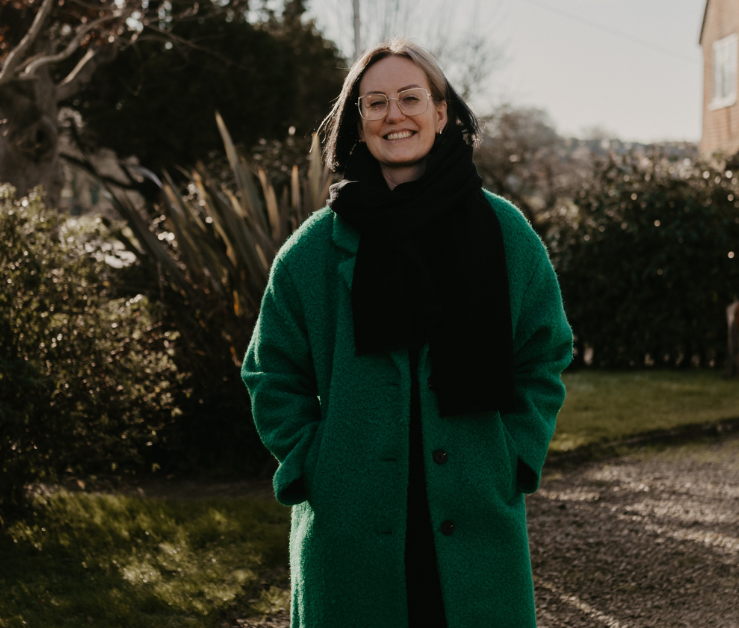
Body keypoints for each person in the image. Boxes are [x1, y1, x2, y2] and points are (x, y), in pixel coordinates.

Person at [241, 38, 572, 628]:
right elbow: (271, 372)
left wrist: (514, 455)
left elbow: (543, 352)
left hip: (475, 513)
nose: (395, 115)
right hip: (349, 527)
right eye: (376, 102)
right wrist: (314, 463)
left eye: (411, 97)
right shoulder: (311, 252)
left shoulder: (504, 233)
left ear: (442, 114)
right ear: (357, 121)